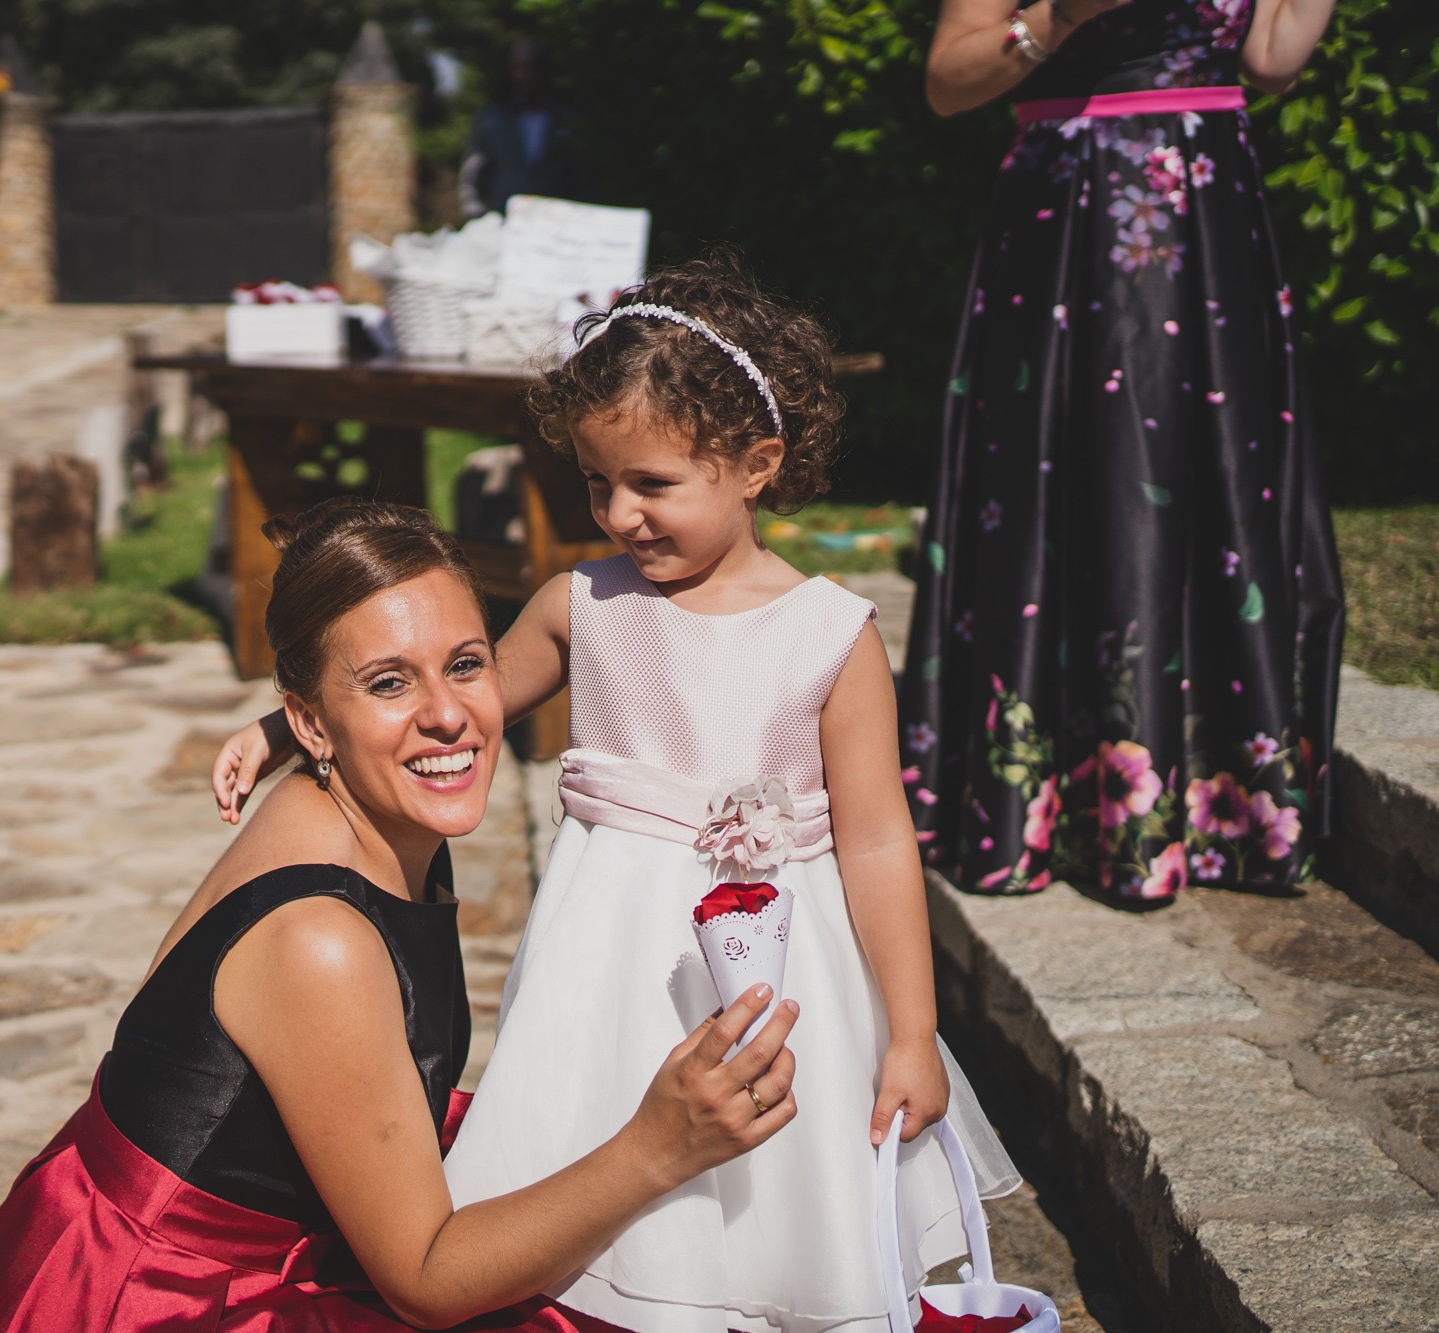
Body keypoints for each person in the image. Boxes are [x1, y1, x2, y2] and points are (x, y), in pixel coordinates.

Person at [212, 259, 1019, 1332]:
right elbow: (455, 705)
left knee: (777, 1189)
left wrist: (910, 1033)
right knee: (613, 1167)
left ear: (754, 466)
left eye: (652, 483)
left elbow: (874, 842)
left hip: (777, 962)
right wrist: (290, 724)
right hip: (607, 964)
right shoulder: (579, 606)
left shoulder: (829, 636)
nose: (620, 514)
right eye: (598, 484)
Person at [0, 498, 802, 1333]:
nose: (449, 716)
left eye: (465, 662)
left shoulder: (347, 805)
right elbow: (424, 1279)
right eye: (389, 683)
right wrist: (657, 1148)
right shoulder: (322, 938)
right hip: (162, 1295)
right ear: (311, 721)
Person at [903, 0, 1345, 903]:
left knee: (1222, 486)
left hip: (1212, 210)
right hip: (1079, 208)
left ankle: (1232, 814)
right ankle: (1059, 806)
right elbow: (949, 83)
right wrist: (1057, 20)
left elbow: (1267, 57)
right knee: (1084, 493)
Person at [460, 38, 580, 217]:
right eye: (518, 67)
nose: (523, 75)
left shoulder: (567, 119)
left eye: (530, 67)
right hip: (504, 223)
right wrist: (476, 214)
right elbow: (472, 176)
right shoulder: (492, 120)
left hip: (556, 225)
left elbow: (583, 178)